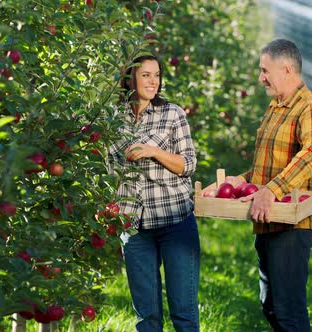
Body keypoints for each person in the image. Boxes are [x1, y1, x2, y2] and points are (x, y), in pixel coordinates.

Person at [229, 39, 312, 331]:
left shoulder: (310, 107)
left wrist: (271, 191)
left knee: (288, 311)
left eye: (264, 70)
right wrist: (242, 180)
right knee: (271, 306)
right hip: (267, 218)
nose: (261, 78)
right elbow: (267, 166)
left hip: (292, 223)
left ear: (286, 68)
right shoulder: (275, 108)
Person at [108, 55, 200, 332]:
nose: (153, 81)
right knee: (146, 317)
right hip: (134, 228)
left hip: (174, 222)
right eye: (146, 75)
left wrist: (153, 151)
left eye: (156, 75)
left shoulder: (172, 114)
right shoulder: (112, 117)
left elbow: (188, 165)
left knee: (183, 312)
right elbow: (105, 167)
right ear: (130, 78)